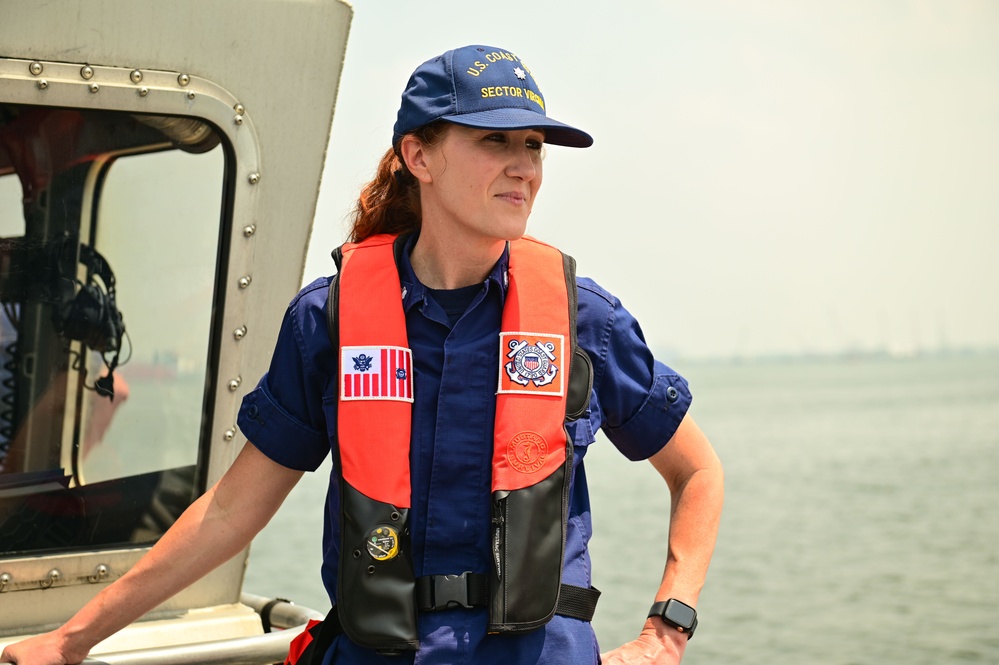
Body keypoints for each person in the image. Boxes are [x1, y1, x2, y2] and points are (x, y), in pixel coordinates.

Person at [0, 44, 723, 665]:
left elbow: (696, 470)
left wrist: (668, 625)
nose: (523, 167)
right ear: (419, 155)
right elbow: (229, 511)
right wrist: (72, 638)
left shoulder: (580, 319)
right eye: (493, 141)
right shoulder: (331, 320)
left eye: (532, 145)